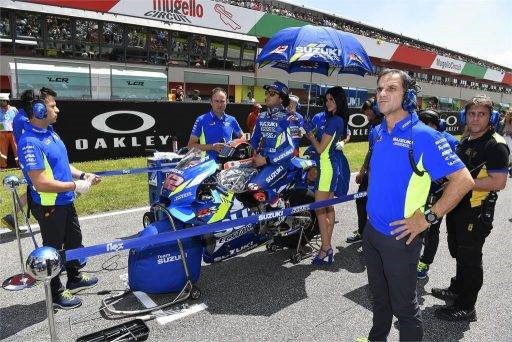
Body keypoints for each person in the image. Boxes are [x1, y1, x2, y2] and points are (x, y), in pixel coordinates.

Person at [361, 69, 473, 341]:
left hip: (401, 238)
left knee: (405, 309)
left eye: (391, 88)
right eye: (379, 89)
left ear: (408, 95)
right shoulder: (377, 131)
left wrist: (428, 218)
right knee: (379, 299)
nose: (383, 94)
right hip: (372, 233)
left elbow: (463, 180)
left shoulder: (424, 136)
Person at [17, 87, 101, 310]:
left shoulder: (51, 133)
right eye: (52, 106)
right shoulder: (30, 142)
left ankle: (74, 277)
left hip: (65, 200)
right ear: (38, 109)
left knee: (74, 241)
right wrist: (77, 185)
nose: (57, 109)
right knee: (52, 251)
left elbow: (63, 165)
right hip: (49, 204)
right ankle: (55, 292)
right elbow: (40, 182)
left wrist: (83, 175)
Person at [433, 94, 510, 321]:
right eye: (471, 114)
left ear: (491, 117)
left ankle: (467, 306)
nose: (475, 118)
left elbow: (499, 182)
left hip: (476, 211)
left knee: (470, 258)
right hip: (457, 206)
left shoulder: (495, 145)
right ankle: (458, 289)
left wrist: (462, 184)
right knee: (458, 251)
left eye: (482, 114)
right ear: (464, 116)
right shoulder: (466, 140)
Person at [305, 87, 350, 265]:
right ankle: (327, 245)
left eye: (332, 99)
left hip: (326, 169)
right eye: (327, 99)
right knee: (328, 208)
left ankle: (325, 248)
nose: (328, 102)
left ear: (339, 101)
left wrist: (309, 135)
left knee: (319, 209)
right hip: (331, 167)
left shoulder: (333, 121)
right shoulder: (338, 120)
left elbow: (319, 148)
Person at [415, 109, 459, 279]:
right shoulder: (414, 138)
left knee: (432, 228)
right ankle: (412, 255)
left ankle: (425, 261)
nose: (425, 127)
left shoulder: (449, 141)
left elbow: (455, 172)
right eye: (422, 123)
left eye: (429, 123)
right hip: (417, 193)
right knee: (415, 223)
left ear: (437, 125)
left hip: (438, 194)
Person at [249, 81, 294, 209]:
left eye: (272, 94)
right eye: (267, 93)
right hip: (262, 160)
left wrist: (267, 160)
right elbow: (254, 140)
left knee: (254, 187)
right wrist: (253, 154)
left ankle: (279, 205)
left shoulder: (288, 118)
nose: (267, 96)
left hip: (280, 163)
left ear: (281, 98)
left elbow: (291, 149)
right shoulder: (261, 116)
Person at [346, 98, 382, 244]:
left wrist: (362, 171)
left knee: (374, 204)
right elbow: (370, 151)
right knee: (361, 200)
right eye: (365, 112)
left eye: (368, 111)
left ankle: (373, 237)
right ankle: (362, 231)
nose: (367, 115)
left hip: (380, 174)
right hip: (371, 171)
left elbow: (373, 152)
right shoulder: (374, 125)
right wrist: (363, 171)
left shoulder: (383, 125)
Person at [1, 90, 33, 231]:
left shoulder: (19, 114)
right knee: (35, 188)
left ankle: (12, 215)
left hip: (26, 156)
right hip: (28, 157)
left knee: (34, 189)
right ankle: (12, 215)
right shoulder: (23, 118)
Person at [188, 87, 243, 162]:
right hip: (207, 166)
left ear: (226, 102)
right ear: (211, 102)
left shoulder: (232, 120)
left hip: (227, 166)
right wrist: (212, 147)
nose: (219, 104)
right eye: (216, 101)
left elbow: (242, 137)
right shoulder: (201, 120)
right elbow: (191, 146)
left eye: (222, 101)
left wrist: (233, 143)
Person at [0, 93, 18, 169]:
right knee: (2, 151)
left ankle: (20, 165)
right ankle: (3, 166)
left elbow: (18, 120)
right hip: (2, 133)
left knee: (17, 149)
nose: (2, 102)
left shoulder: (14, 109)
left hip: (13, 133)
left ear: (7, 101)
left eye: (4, 100)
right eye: (1, 101)